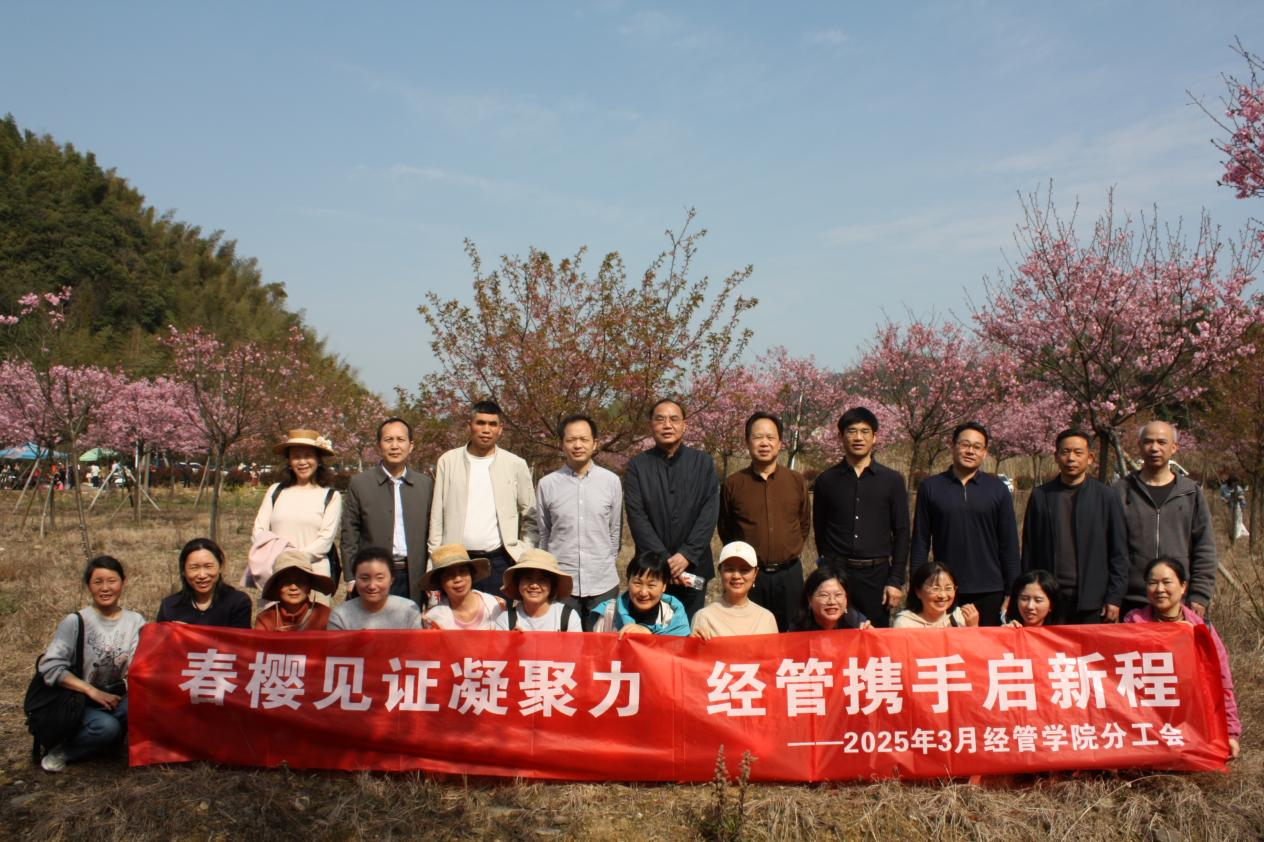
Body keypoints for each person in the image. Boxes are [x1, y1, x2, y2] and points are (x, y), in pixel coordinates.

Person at [36, 556, 145, 773]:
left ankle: (104, 743)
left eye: (111, 581)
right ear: (88, 585)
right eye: (98, 582)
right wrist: (91, 691)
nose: (105, 588)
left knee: (139, 707)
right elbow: (50, 667)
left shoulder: (135, 621)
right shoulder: (75, 621)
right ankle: (65, 750)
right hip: (77, 701)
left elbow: (138, 664)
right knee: (107, 727)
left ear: (123, 582)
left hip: (114, 698)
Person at [1123, 558, 1240, 759]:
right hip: (1144, 727)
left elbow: (1222, 683)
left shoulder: (1201, 630)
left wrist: (1230, 733)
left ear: (1183, 586)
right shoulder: (1132, 625)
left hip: (1190, 726)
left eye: (1167, 582)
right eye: (1152, 583)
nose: (1160, 589)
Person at [909, 421, 1018, 626]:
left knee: (987, 644)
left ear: (984, 453)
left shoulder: (997, 489)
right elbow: (920, 542)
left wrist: (1012, 590)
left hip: (990, 589)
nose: (970, 451)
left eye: (977, 447)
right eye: (965, 444)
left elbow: (1009, 544)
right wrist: (917, 587)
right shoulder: (931, 487)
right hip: (944, 590)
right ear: (952, 446)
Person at [812, 406, 910, 628]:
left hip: (877, 576)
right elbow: (820, 529)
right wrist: (826, 570)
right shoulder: (826, 480)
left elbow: (902, 532)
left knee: (875, 636)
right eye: (852, 431)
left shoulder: (892, 480)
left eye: (865, 432)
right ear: (841, 436)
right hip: (838, 574)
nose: (858, 437)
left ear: (874, 437)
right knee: (835, 634)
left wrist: (895, 579)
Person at [429, 400, 538, 596]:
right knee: (456, 615)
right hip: (456, 562)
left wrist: (523, 552)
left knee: (499, 614)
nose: (486, 430)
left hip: (500, 561)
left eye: (492, 424)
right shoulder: (448, 461)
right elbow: (437, 517)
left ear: (500, 429)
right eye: (480, 423)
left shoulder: (515, 464)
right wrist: (434, 563)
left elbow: (531, 515)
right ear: (469, 425)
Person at [624, 398, 720, 619]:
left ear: (684, 425)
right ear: (651, 425)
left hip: (693, 567)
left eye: (674, 419)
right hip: (652, 571)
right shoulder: (638, 466)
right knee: (650, 629)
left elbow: (709, 513)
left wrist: (686, 554)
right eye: (660, 419)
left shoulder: (703, 463)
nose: (667, 425)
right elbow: (637, 516)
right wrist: (664, 559)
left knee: (689, 627)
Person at [1021, 429, 1129, 623]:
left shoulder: (1106, 496)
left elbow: (1119, 552)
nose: (1071, 458)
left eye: (1078, 453)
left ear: (1090, 458)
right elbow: (1030, 549)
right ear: (1056, 456)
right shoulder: (1041, 496)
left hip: (1093, 600)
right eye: (1065, 452)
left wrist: (1114, 597)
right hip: (1049, 598)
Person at [718, 411, 811, 632]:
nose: (764, 443)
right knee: (749, 634)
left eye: (770, 437)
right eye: (758, 437)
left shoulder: (796, 481)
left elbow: (804, 524)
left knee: (792, 635)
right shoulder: (733, 484)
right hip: (749, 576)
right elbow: (726, 528)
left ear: (780, 443)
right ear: (747, 442)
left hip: (789, 575)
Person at [1114, 421, 1217, 616]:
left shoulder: (1190, 492)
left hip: (1178, 600)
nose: (1154, 448)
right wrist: (1112, 596)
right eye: (1148, 442)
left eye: (1162, 442)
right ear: (1139, 446)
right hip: (1131, 599)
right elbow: (1109, 547)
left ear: (1174, 447)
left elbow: (1205, 547)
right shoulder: (1121, 491)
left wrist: (1200, 594)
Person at [537, 414, 622, 629]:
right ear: (562, 444)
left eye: (584, 439)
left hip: (603, 582)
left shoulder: (611, 481)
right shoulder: (547, 484)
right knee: (564, 643)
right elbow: (544, 533)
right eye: (571, 440)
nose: (577, 445)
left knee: (601, 643)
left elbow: (614, 531)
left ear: (595, 443)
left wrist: (604, 562)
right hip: (562, 582)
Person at [341, 417, 433, 601]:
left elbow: (432, 532)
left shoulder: (425, 485)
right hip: (373, 576)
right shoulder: (360, 484)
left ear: (411, 445)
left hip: (413, 575)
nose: (394, 446)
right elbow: (349, 534)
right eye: (388, 440)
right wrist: (351, 577)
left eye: (400, 440)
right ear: (379, 445)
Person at [252, 429, 342, 603]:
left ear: (318, 460)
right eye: (296, 456)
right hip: (277, 573)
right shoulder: (275, 491)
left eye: (308, 456)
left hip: (315, 575)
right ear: (289, 461)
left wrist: (294, 561)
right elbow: (259, 531)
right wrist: (281, 561)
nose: (302, 462)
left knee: (314, 619)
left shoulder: (331, 496)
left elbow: (325, 540)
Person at [690, 541, 778, 639]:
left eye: (744, 569)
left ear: (755, 573)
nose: (736, 576)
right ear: (720, 572)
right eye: (730, 569)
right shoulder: (704, 617)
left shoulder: (766, 618)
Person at [590, 551, 691, 637]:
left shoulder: (672, 617)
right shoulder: (610, 613)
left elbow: (678, 652)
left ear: (664, 586)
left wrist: (650, 637)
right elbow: (598, 650)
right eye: (637, 583)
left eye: (651, 585)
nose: (643, 592)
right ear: (628, 581)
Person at [156, 538, 252, 627]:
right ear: (183, 571)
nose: (202, 575)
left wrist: (189, 633)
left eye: (208, 566)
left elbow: (239, 639)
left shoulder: (238, 602)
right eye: (194, 568)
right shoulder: (169, 606)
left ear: (220, 567)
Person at [328, 547, 423, 630]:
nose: (372, 586)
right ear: (355, 579)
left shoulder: (408, 610)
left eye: (379, 578)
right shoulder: (340, 615)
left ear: (391, 579)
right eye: (364, 578)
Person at [494, 548, 582, 632]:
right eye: (528, 578)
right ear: (518, 582)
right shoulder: (505, 620)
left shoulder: (568, 616)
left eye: (542, 580)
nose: (534, 585)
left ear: (552, 585)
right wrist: (510, 640)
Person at [420, 544, 505, 630]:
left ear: (471, 574)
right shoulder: (433, 618)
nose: (458, 579)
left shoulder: (496, 605)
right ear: (440, 581)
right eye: (449, 575)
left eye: (462, 571)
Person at [253, 550, 336, 632]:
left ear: (309, 586)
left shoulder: (326, 616)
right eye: (286, 582)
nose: (293, 587)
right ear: (277, 586)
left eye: (300, 581)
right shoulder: (265, 619)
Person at [892, 562, 980, 628]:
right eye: (935, 589)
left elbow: (973, 647)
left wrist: (973, 627)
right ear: (918, 592)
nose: (943, 595)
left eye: (948, 588)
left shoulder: (960, 617)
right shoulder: (905, 624)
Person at [790, 564, 872, 631]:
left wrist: (870, 633)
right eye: (824, 595)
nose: (832, 602)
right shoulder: (798, 628)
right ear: (809, 600)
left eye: (838, 595)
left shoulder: (856, 622)